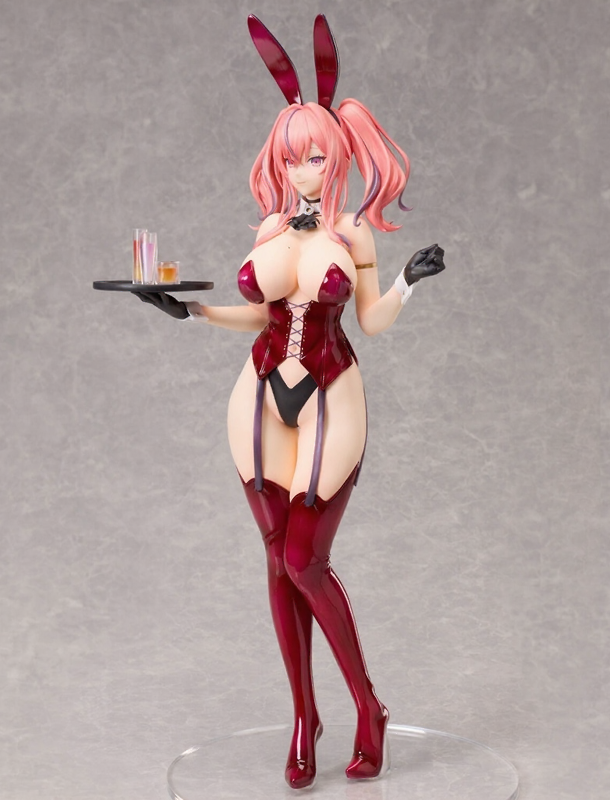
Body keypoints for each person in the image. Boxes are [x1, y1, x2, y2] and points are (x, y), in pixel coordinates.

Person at [136, 15, 445, 790]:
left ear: (336, 155)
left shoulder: (353, 234)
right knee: (277, 560)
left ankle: (367, 705)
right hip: (258, 398)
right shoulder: (273, 225)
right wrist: (192, 312)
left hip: (332, 395)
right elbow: (258, 315)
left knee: (306, 559)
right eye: (289, 158)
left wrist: (407, 280)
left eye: (314, 157)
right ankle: (304, 717)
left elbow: (369, 322)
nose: (302, 171)